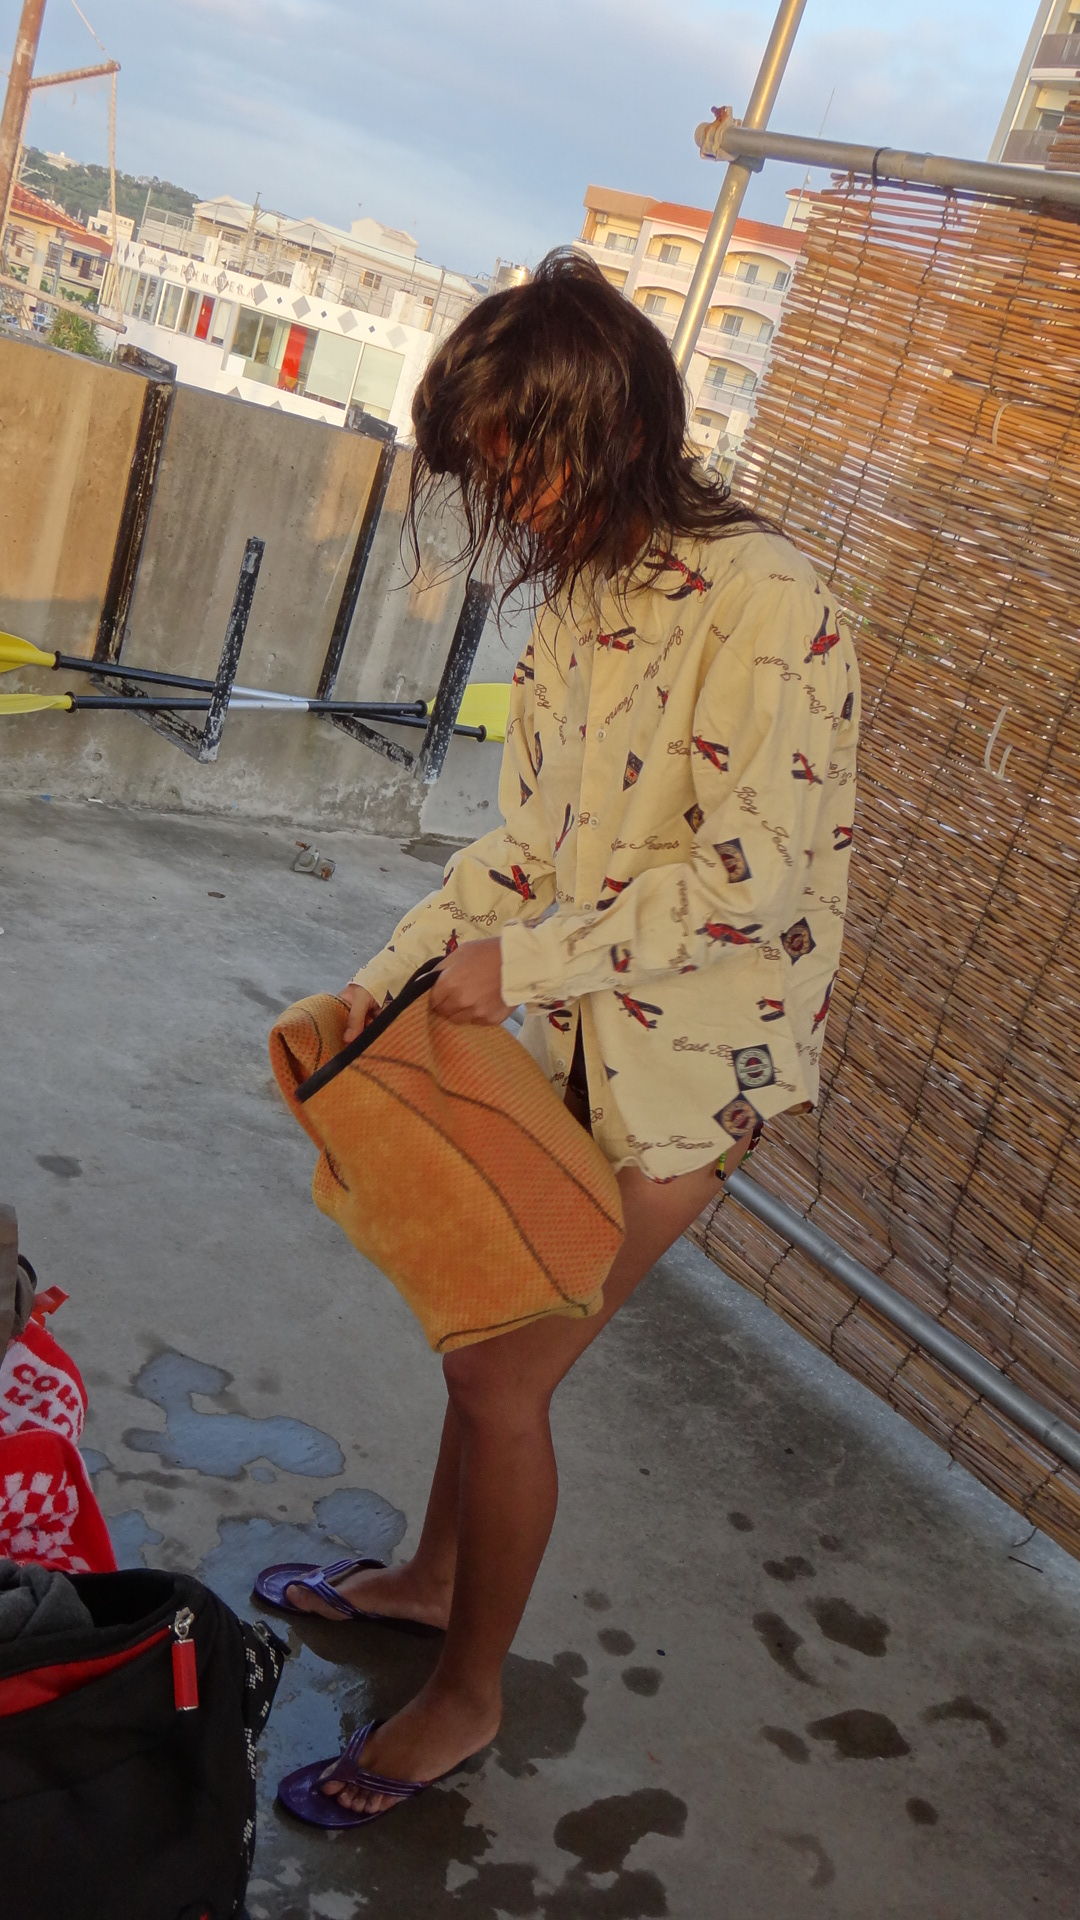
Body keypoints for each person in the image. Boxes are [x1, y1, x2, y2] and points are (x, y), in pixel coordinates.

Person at [262, 249, 860, 1826]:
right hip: (583, 1022)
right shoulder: (591, 590)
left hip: (697, 1067)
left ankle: (468, 1697)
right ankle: (427, 1582)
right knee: (481, 1331)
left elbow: (753, 877)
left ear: (613, 431)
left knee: (504, 1377)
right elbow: (526, 847)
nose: (508, 502)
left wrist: (522, 964)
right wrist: (377, 988)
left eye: (520, 466)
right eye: (489, 470)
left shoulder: (770, 601)